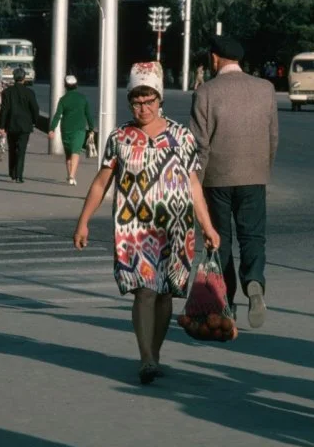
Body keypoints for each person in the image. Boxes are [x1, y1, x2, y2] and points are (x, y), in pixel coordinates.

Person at [73, 62, 220, 384]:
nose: (143, 108)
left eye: (149, 101)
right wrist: (83, 221)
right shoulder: (120, 137)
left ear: (160, 99)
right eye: (136, 102)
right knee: (144, 291)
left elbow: (194, 184)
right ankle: (147, 358)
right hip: (134, 229)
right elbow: (101, 183)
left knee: (166, 292)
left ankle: (155, 351)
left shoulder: (181, 136)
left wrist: (207, 226)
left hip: (177, 227)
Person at [190, 35, 279, 328]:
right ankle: (254, 281)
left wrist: (196, 185)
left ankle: (226, 302)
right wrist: (262, 169)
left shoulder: (205, 92)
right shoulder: (265, 89)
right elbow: (272, 137)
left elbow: (200, 145)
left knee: (220, 240)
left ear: (214, 58)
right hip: (253, 175)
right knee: (253, 236)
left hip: (216, 178)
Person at [48, 75, 95, 186]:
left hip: (66, 129)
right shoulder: (82, 98)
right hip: (79, 129)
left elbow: (57, 116)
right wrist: (91, 128)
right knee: (76, 152)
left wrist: (51, 129)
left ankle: (70, 175)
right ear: (76, 85)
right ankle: (72, 176)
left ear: (65, 86)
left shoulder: (63, 100)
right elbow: (88, 114)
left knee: (69, 153)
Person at [0, 67, 40, 183]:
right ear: (24, 78)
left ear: (14, 77)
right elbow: (35, 109)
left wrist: (1, 126)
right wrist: (34, 122)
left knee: (12, 148)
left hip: (11, 124)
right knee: (21, 150)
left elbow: (4, 110)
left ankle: (12, 172)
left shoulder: (7, 92)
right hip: (25, 125)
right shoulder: (30, 93)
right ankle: (19, 176)